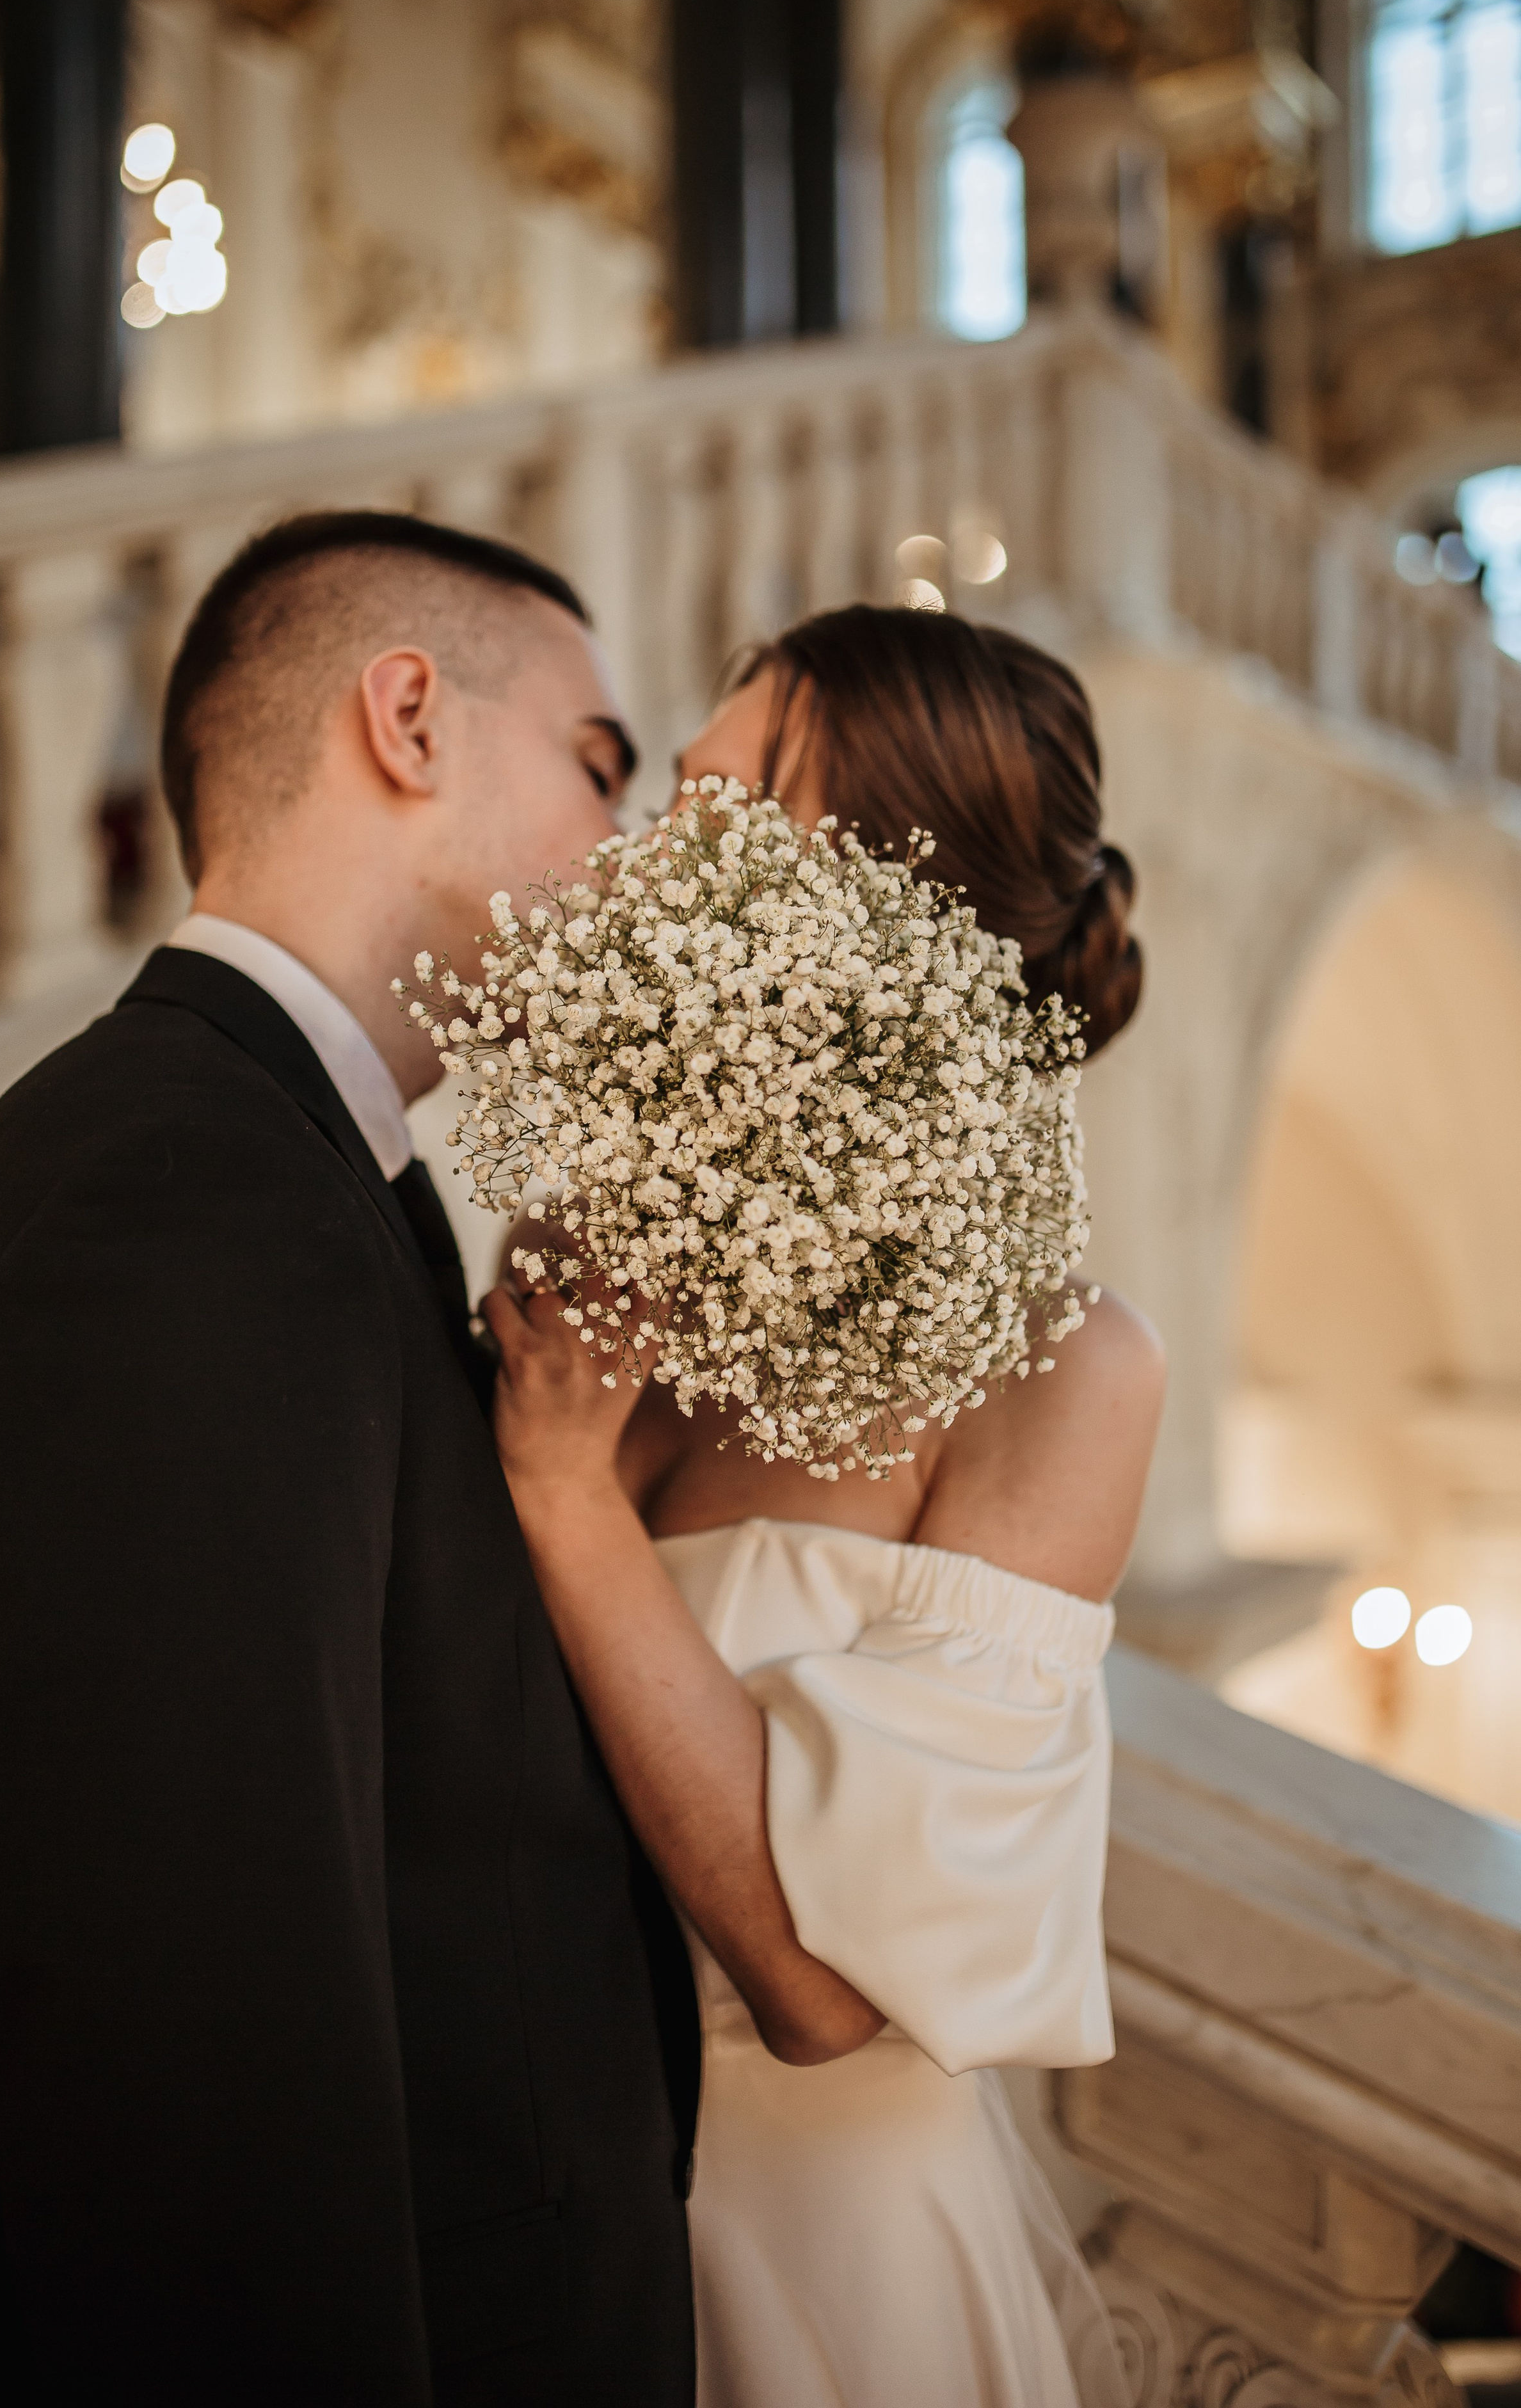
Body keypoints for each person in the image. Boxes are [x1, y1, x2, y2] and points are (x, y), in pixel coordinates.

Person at [0, 510, 722, 2405]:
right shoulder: (173, 1202)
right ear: (407, 715)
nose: (633, 852)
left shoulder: (276, 1168)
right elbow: (189, 2063)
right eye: (602, 767)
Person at [481, 606, 1167, 2408]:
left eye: (721, 814)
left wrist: (562, 1490)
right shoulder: (604, 1255)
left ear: (890, 893)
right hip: (526, 2238)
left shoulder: (1058, 1367)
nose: (651, 868)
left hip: (818, 2269)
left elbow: (821, 1987)